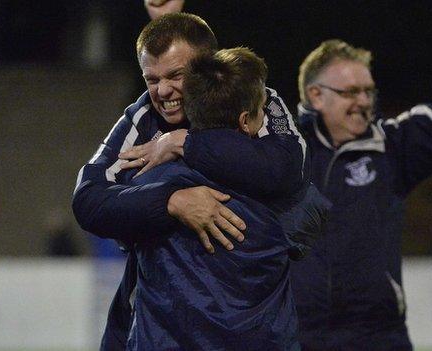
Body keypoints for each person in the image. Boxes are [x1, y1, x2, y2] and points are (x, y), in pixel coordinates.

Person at [72, 13, 319, 350]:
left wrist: (183, 143)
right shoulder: (142, 117)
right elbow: (88, 200)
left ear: (207, 67)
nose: (163, 91)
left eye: (175, 75)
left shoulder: (255, 99)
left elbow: (289, 170)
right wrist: (171, 202)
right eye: (151, 79)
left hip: (256, 313)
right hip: (164, 323)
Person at [289, 8, 432, 350]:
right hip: (298, 338)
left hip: (378, 338)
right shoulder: (281, 154)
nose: (364, 102)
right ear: (316, 95)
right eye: (351, 92)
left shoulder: (390, 146)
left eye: (368, 91)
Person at [125, 47, 309, 350]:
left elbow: (109, 221)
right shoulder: (285, 194)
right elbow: (309, 238)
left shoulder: (147, 182)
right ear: (245, 121)